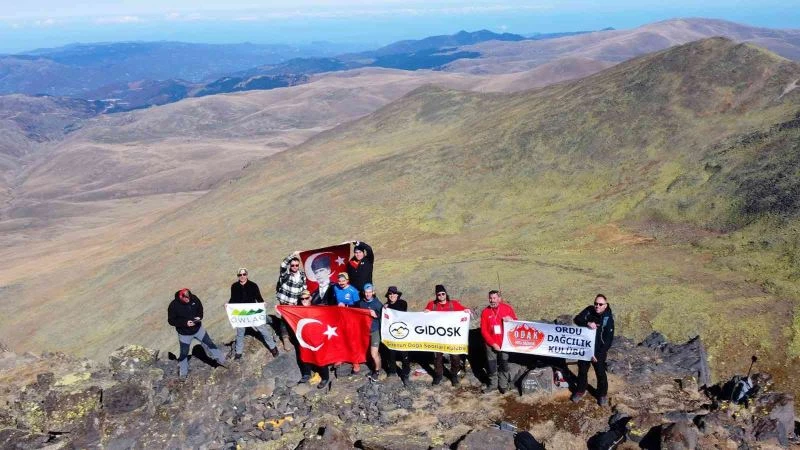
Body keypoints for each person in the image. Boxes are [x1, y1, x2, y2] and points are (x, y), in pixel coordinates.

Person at [168, 288, 226, 378]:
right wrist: (185, 323)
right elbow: (171, 321)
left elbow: (200, 309)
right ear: (181, 297)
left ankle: (223, 361)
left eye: (189, 297)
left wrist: (199, 317)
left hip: (198, 330)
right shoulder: (174, 305)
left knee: (209, 343)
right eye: (186, 298)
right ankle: (183, 373)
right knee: (184, 353)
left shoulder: (194, 298)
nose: (188, 299)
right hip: (184, 334)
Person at [571, 294, 615, 406]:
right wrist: (587, 323)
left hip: (598, 351)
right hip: (585, 348)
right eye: (596, 303)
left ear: (605, 305)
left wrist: (599, 354)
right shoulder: (589, 310)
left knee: (600, 373)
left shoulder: (608, 319)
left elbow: (608, 340)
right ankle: (580, 390)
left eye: (600, 304)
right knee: (582, 371)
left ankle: (602, 395)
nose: (597, 306)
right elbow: (577, 319)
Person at [229, 268, 279, 359]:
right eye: (240, 275)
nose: (242, 276)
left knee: (262, 329)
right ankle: (238, 352)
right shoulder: (234, 286)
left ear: (247, 275)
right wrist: (228, 305)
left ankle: (273, 347)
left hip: (253, 311)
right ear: (238, 276)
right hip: (241, 313)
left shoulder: (253, 285)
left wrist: (262, 303)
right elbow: (233, 299)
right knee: (240, 333)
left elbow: (258, 297)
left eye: (244, 274)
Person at [424, 284, 468, 386]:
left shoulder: (453, 304)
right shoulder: (432, 305)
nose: (441, 296)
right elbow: (424, 318)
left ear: (446, 294)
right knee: (437, 358)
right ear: (436, 295)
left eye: (443, 293)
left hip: (451, 337)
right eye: (438, 294)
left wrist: (466, 310)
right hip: (437, 337)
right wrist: (425, 313)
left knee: (455, 357)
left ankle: (453, 375)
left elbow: (464, 310)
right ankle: (438, 375)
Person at [480, 290, 517, 393]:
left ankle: (503, 385)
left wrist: (511, 319)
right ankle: (493, 385)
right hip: (490, 344)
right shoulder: (485, 312)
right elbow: (483, 330)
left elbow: (516, 323)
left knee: (504, 364)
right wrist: (493, 343)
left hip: (505, 343)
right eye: (490, 298)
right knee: (491, 365)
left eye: (494, 298)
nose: (492, 300)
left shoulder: (507, 309)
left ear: (499, 299)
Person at [295, 290, 331, 389]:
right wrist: (279, 309)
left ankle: (325, 377)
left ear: (310, 298)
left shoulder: (317, 309)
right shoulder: (297, 310)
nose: (304, 300)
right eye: (302, 299)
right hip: (304, 338)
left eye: (306, 298)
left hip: (317, 338)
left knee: (320, 357)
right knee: (304, 355)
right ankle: (306, 374)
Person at [275, 253, 307, 349]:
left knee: (294, 319)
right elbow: (283, 265)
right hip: (285, 302)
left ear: (299, 265)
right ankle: (285, 339)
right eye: (292, 265)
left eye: (296, 265)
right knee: (284, 320)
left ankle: (296, 337)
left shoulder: (302, 275)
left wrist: (304, 299)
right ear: (290, 265)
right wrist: (292, 255)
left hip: (295, 302)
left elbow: (304, 287)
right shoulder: (285, 274)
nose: (294, 267)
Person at [383, 286, 410, 385]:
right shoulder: (386, 306)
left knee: (404, 354)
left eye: (394, 294)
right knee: (391, 353)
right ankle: (392, 371)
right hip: (391, 333)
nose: (392, 296)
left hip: (402, 333)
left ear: (397, 295)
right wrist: (385, 307)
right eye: (390, 294)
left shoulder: (402, 303)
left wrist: (388, 306)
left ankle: (405, 373)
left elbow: (401, 311)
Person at [356, 283, 383, 382]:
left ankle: (377, 372)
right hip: (365, 331)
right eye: (366, 292)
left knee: (373, 353)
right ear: (364, 292)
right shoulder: (361, 303)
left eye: (369, 292)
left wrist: (376, 315)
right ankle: (375, 368)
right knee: (370, 353)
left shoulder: (377, 303)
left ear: (373, 292)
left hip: (375, 331)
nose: (368, 294)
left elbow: (385, 316)